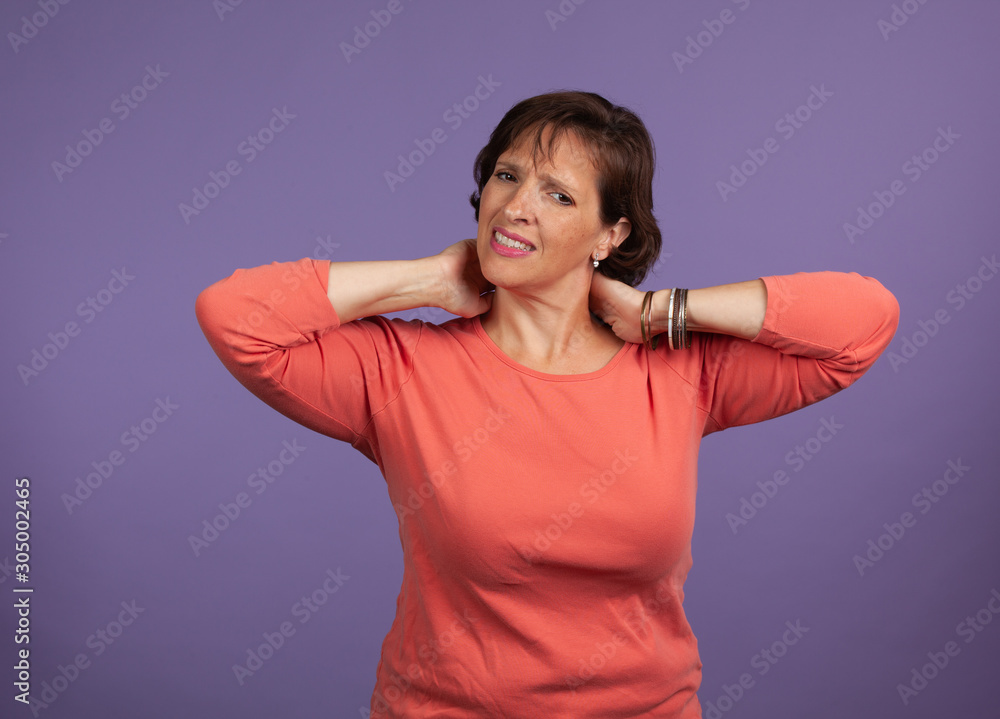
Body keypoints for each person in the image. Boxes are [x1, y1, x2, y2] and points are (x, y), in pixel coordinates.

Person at [195, 90, 900, 718]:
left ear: (610, 235)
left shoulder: (679, 370)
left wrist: (662, 310)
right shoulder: (402, 368)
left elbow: (862, 323)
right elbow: (233, 317)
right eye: (507, 176)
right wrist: (430, 279)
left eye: (558, 194)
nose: (517, 205)